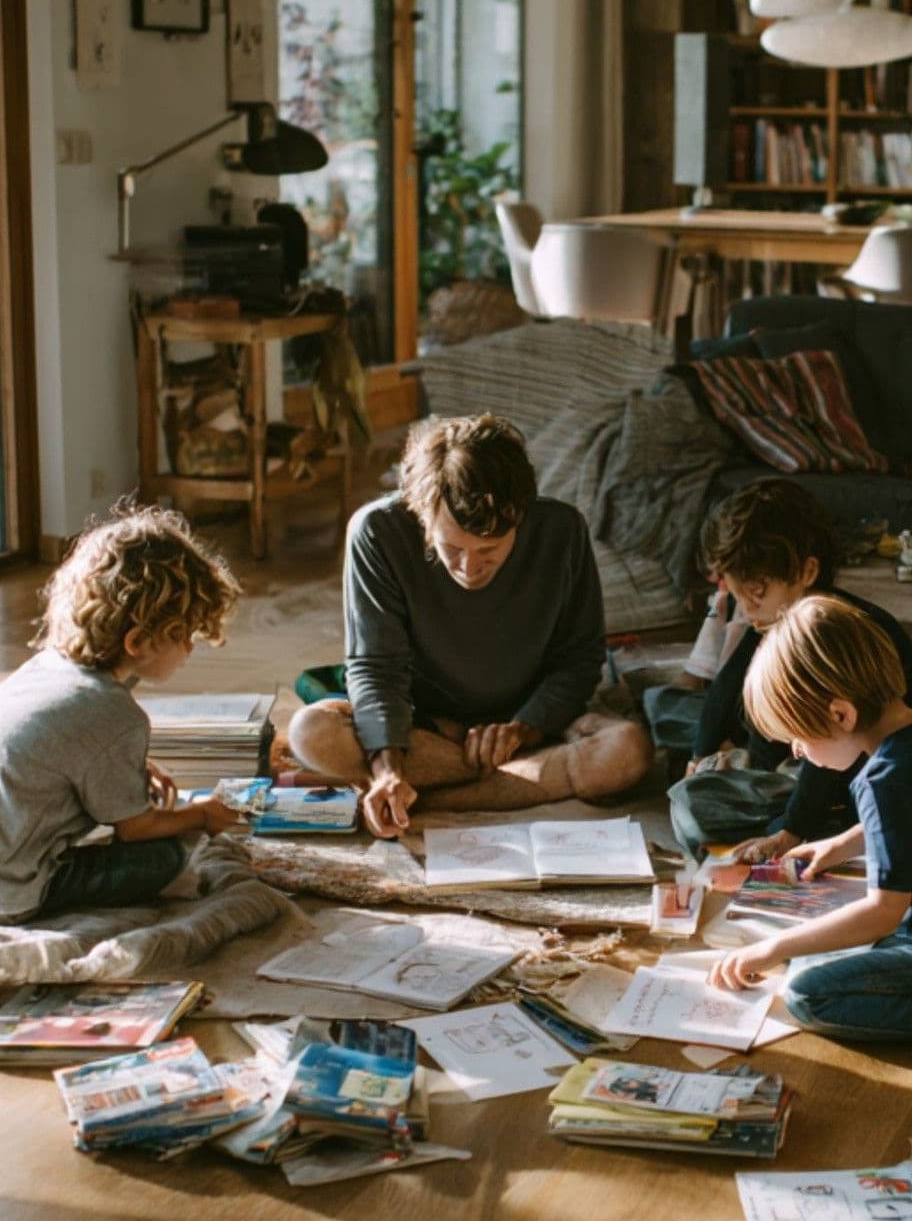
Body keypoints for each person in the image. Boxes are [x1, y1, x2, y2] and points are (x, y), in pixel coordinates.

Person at [286, 413, 652, 837]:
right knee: (312, 733)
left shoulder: (562, 530)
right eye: (452, 548)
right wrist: (387, 767)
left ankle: (428, 795)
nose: (470, 568)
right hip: (424, 727)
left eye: (490, 549)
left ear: (520, 515)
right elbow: (376, 669)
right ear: (423, 516)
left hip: (530, 726)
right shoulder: (377, 532)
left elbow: (580, 658)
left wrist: (524, 728)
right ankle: (484, 785)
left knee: (628, 752)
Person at [0, 501, 242, 924]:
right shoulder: (115, 714)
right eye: (184, 635)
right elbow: (135, 829)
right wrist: (205, 814)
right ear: (139, 641)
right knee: (165, 854)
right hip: (2, 893)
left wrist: (131, 770)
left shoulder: (47, 667)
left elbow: (67, 749)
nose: (191, 649)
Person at [666, 479, 912, 861]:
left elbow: (827, 746)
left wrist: (790, 832)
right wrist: (699, 755)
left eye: (758, 591)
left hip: (835, 769)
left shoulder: (827, 636)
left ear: (806, 570)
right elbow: (730, 679)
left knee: (693, 805)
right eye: (738, 594)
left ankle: (797, 815)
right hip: (803, 750)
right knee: (672, 717)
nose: (747, 607)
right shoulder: (776, 620)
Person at [708, 595, 912, 1041]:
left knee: (805, 990)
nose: (797, 752)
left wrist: (771, 947)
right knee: (825, 946)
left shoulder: (882, 780)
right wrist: (843, 844)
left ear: (840, 714)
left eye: (798, 736)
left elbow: (883, 913)